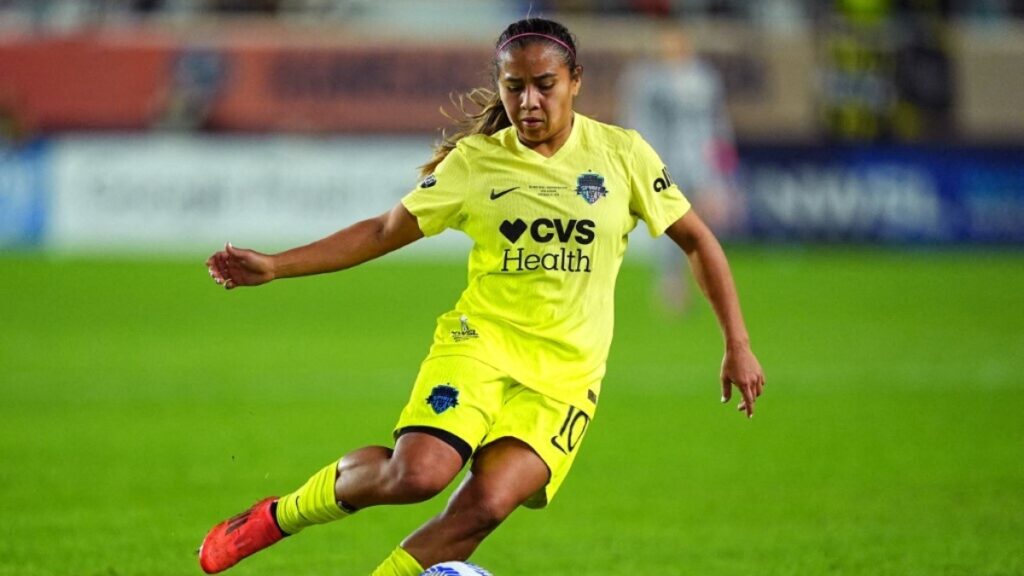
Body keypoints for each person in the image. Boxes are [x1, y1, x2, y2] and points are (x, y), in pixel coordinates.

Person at [200, 17, 765, 576]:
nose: (529, 101)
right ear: (499, 85)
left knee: (489, 503)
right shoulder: (476, 162)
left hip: (566, 376)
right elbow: (382, 230)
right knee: (417, 476)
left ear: (575, 81)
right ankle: (279, 516)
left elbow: (698, 241)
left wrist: (736, 343)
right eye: (513, 86)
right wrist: (275, 265)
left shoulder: (624, 155)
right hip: (480, 345)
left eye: (545, 84)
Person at [619, 27, 742, 315]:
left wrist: (724, 163)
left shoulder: (704, 78)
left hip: (702, 164)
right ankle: (672, 284)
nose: (673, 49)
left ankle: (703, 283)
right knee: (673, 226)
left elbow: (718, 122)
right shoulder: (646, 80)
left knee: (704, 227)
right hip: (663, 162)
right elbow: (635, 121)